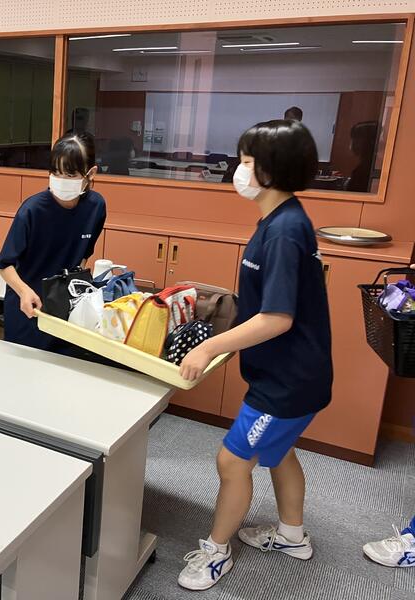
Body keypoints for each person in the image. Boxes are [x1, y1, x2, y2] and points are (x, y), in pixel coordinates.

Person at [176, 120, 332, 591]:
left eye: (246, 162)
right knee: (279, 452)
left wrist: (209, 346)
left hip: (286, 381)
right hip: (292, 372)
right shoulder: (281, 219)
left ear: (272, 169)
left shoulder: (284, 231)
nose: (238, 171)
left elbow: (277, 318)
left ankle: (216, 552)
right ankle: (291, 537)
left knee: (232, 462)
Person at [0, 132, 106, 350]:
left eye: (70, 174)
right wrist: (24, 291)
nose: (61, 180)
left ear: (90, 173)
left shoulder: (96, 207)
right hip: (29, 306)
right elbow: (4, 264)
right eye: (56, 172)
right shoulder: (33, 210)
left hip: (66, 307)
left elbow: (84, 254)